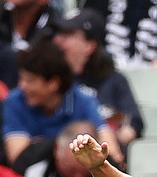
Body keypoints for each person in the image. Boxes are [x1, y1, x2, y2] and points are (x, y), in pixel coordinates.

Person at [2, 40, 120, 164]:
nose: (22, 86)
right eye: (21, 79)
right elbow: (18, 159)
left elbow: (111, 154)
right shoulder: (14, 101)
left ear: (53, 83)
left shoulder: (83, 101)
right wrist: (67, 143)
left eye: (30, 81)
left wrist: (40, 146)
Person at [53, 9, 144, 152]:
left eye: (68, 35)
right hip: (61, 153)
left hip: (101, 155)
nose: (58, 40)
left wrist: (113, 138)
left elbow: (133, 124)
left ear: (90, 45)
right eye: (58, 34)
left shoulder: (113, 80)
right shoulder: (52, 80)